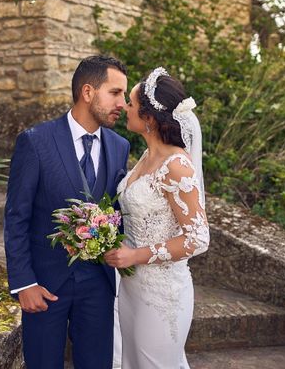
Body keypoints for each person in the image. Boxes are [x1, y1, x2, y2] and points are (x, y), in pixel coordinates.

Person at [4, 55, 130, 369]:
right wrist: (24, 284)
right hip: (45, 287)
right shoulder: (35, 142)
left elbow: (116, 210)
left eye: (124, 95)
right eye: (115, 93)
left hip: (98, 286)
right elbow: (16, 217)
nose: (123, 103)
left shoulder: (119, 146)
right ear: (88, 92)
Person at [104, 67, 210, 369]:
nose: (125, 107)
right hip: (131, 287)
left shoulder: (177, 165)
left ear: (149, 118)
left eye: (132, 104)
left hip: (162, 293)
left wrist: (135, 255)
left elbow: (198, 238)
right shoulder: (147, 157)